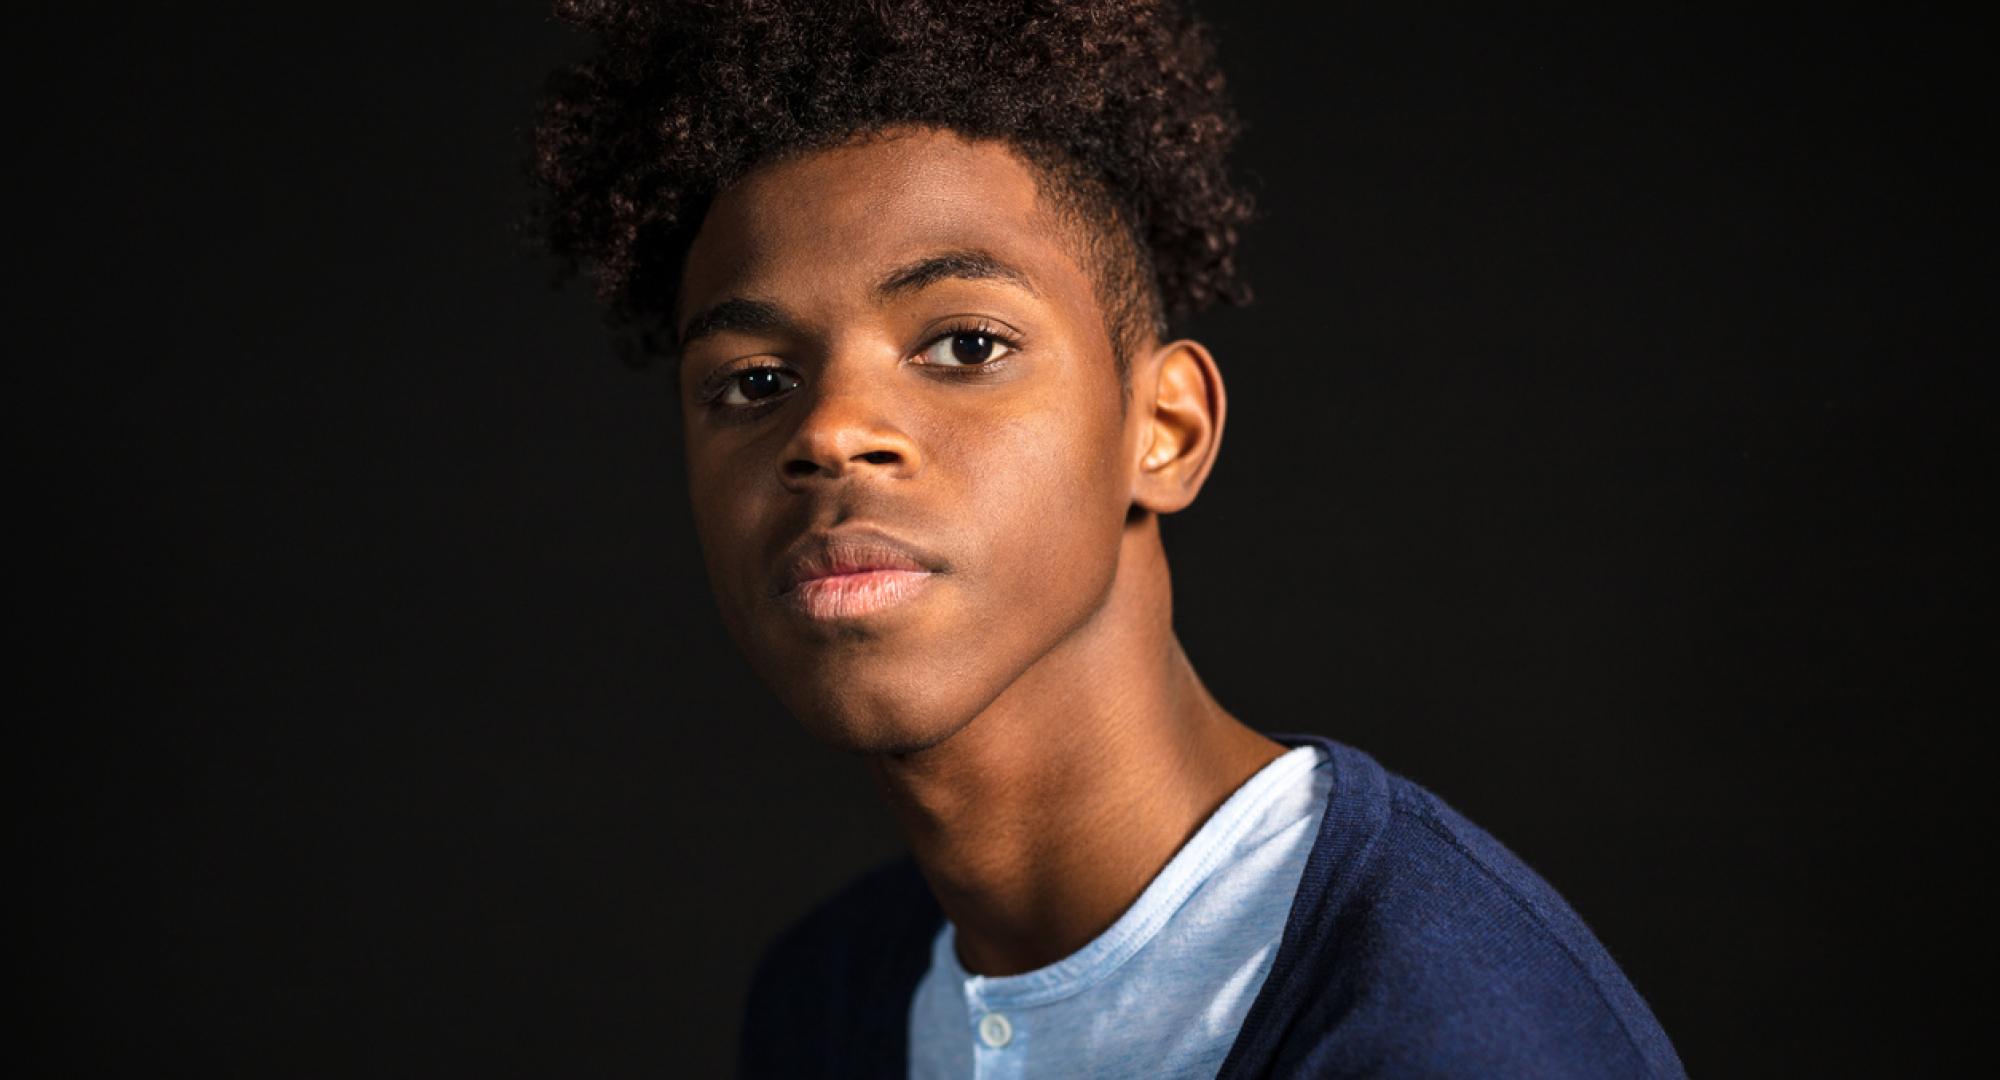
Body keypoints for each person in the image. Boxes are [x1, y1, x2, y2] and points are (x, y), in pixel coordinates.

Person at [528, 2, 1685, 1076]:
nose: (829, 432)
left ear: (1164, 431)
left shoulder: (1439, 1027)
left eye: (966, 346)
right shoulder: (824, 1001)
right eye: (756, 379)